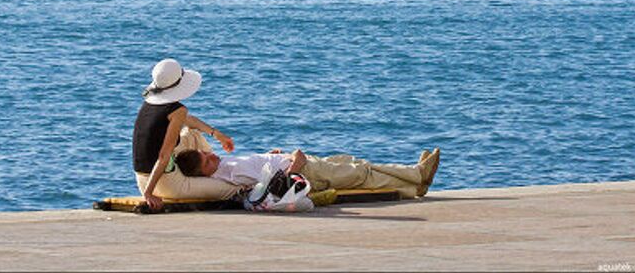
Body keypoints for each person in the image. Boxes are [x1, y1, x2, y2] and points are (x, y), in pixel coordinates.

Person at [132, 58, 241, 211]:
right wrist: (148, 194)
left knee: (191, 133)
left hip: (142, 179)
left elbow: (189, 122)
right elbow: (163, 156)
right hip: (166, 184)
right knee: (234, 188)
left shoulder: (149, 104)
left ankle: (212, 165)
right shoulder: (177, 111)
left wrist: (217, 134)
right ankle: (213, 172)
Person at [175, 147, 441, 199]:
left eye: (206, 153)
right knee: (361, 173)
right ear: (204, 173)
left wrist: (274, 153)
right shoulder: (228, 176)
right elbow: (269, 187)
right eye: (207, 160)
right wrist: (295, 164)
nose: (212, 156)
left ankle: (413, 186)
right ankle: (417, 173)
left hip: (301, 162)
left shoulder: (222, 167)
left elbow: (260, 167)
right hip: (306, 170)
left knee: (353, 162)